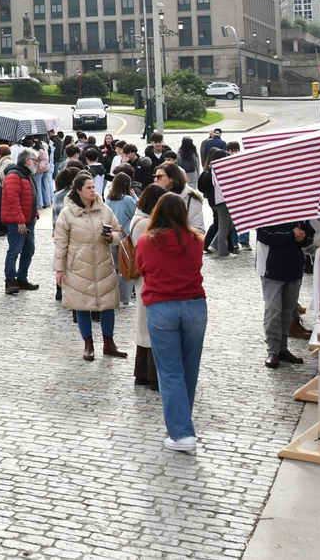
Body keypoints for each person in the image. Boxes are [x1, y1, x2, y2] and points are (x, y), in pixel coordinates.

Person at [136, 192, 208, 452]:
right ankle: (182, 425)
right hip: (194, 305)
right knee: (189, 368)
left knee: (169, 371)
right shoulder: (196, 240)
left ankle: (181, 432)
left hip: (162, 305)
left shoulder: (146, 241)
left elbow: (143, 268)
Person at [54, 173, 126, 361]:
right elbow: (60, 243)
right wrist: (59, 269)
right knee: (82, 305)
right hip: (78, 266)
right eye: (89, 188)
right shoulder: (67, 214)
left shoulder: (105, 210)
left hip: (102, 263)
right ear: (78, 191)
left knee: (108, 303)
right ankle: (88, 343)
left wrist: (112, 238)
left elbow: (119, 232)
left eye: (94, 187)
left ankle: (109, 343)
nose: (93, 190)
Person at [255, 219, 315, 369]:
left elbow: (310, 236)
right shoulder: (267, 210)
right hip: (271, 268)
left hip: (294, 268)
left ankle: (283, 348)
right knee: (273, 310)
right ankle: (273, 350)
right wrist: (291, 235)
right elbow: (264, 236)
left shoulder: (302, 212)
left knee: (288, 312)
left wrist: (302, 238)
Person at [130, 184, 163, 390]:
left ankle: (141, 373)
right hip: (149, 279)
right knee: (150, 327)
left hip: (142, 279)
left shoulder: (137, 218)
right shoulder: (147, 224)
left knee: (143, 326)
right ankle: (151, 375)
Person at [1, 147, 38, 294]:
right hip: (17, 221)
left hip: (28, 220)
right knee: (14, 251)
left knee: (29, 250)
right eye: (35, 160)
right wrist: (20, 221)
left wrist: (34, 214)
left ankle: (22, 278)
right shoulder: (14, 176)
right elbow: (13, 200)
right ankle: (10, 280)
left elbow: (31, 197)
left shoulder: (26, 175)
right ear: (27, 161)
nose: (37, 164)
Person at [104, 172, 140, 307]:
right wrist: (135, 196)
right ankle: (124, 298)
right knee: (127, 267)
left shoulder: (108, 199)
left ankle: (113, 296)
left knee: (115, 267)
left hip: (112, 236)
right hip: (126, 237)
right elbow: (137, 212)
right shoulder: (127, 199)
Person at [153, 162, 208, 235]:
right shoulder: (155, 195)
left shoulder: (190, 197)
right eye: (155, 176)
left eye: (159, 177)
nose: (155, 180)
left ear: (171, 178)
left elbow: (199, 229)